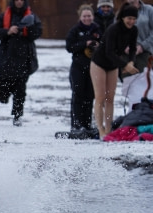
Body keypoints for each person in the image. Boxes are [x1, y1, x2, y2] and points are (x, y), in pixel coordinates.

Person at [0, 0, 42, 127]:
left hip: (24, 59)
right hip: (5, 59)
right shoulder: (4, 15)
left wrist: (27, 29)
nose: (19, 2)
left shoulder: (32, 17)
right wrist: (8, 31)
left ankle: (17, 117)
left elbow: (37, 33)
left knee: (20, 91)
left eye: (21, 0)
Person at [90, 3, 140, 139]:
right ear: (123, 18)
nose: (131, 21)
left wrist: (131, 61)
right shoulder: (113, 29)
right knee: (100, 97)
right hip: (99, 62)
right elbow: (109, 52)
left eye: (134, 19)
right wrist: (125, 65)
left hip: (112, 65)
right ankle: (100, 130)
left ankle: (108, 129)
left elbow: (133, 49)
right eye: (129, 18)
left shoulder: (134, 30)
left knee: (110, 98)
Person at [65, 4, 101, 137]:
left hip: (93, 68)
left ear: (92, 16)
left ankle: (87, 124)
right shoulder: (75, 30)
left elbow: (104, 44)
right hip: (78, 67)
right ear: (80, 17)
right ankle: (76, 124)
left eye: (89, 16)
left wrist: (97, 45)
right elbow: (69, 47)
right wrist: (84, 44)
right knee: (78, 95)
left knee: (90, 96)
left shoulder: (97, 29)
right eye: (84, 16)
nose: (87, 18)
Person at [123, 0, 153, 76]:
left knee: (144, 83)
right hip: (126, 55)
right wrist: (123, 46)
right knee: (128, 84)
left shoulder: (149, 10)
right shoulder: (121, 11)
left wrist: (142, 46)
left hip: (144, 54)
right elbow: (115, 32)